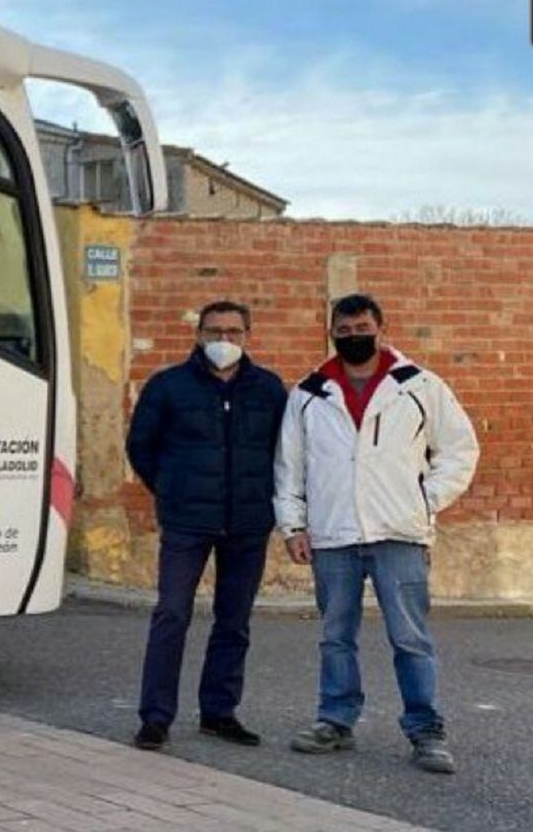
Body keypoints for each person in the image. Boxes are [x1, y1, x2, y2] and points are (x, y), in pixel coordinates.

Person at [274, 293, 479, 774]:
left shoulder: (418, 385)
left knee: (411, 638)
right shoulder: (308, 392)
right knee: (335, 636)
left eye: (361, 327)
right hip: (333, 536)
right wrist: (294, 526)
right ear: (332, 334)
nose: (353, 337)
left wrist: (423, 499)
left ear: (380, 328)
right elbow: (290, 467)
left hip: (399, 533)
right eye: (343, 331)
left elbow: (460, 450)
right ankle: (335, 721)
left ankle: (426, 731)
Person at [127, 300, 287, 750]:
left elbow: (286, 452)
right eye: (214, 331)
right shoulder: (168, 387)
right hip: (186, 521)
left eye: (233, 332)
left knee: (233, 622)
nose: (224, 341)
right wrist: (171, 489)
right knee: (172, 614)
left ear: (247, 336)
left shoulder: (269, 389)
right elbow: (141, 446)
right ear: (198, 335)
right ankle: (156, 717)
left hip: (248, 521)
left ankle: (219, 711)